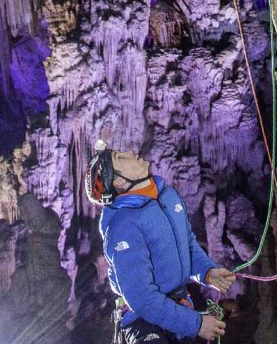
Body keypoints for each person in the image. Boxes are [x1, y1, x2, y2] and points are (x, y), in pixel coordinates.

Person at [86, 140, 236, 342]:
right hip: (144, 321)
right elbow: (142, 297)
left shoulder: (167, 196)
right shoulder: (123, 226)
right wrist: (195, 324)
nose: (130, 151)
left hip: (179, 308)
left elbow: (187, 245)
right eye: (120, 158)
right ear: (119, 182)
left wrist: (207, 272)